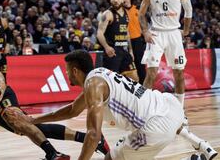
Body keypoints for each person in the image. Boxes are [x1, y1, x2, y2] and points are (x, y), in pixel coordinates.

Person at [32, 50, 218, 160]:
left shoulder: (93, 85)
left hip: (154, 126)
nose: (67, 75)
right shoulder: (99, 75)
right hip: (169, 106)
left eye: (67, 72)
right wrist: (34, 120)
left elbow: (94, 135)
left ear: (75, 71)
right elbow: (73, 110)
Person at [0, 50, 110, 160]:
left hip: (2, 93)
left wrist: (0, 84)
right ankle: (90, 139)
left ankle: (53, 154)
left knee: (17, 119)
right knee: (28, 127)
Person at [139, 0, 192, 107]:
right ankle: (143, 108)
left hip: (174, 34)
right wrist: (145, 31)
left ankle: (180, 109)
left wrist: (186, 31)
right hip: (156, 34)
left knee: (179, 74)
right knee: (151, 74)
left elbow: (189, 12)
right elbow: (141, 14)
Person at [96, 0, 138, 81]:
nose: (115, 0)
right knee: (112, 83)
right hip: (112, 53)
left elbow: (127, 33)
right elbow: (99, 33)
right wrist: (106, 47)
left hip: (124, 51)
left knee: (135, 80)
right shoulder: (108, 14)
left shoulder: (126, 13)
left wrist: (130, 50)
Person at [121, 0, 146, 84]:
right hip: (125, 42)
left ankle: (144, 89)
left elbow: (144, 26)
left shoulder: (137, 10)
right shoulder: (120, 12)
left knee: (140, 66)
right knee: (127, 68)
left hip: (137, 41)